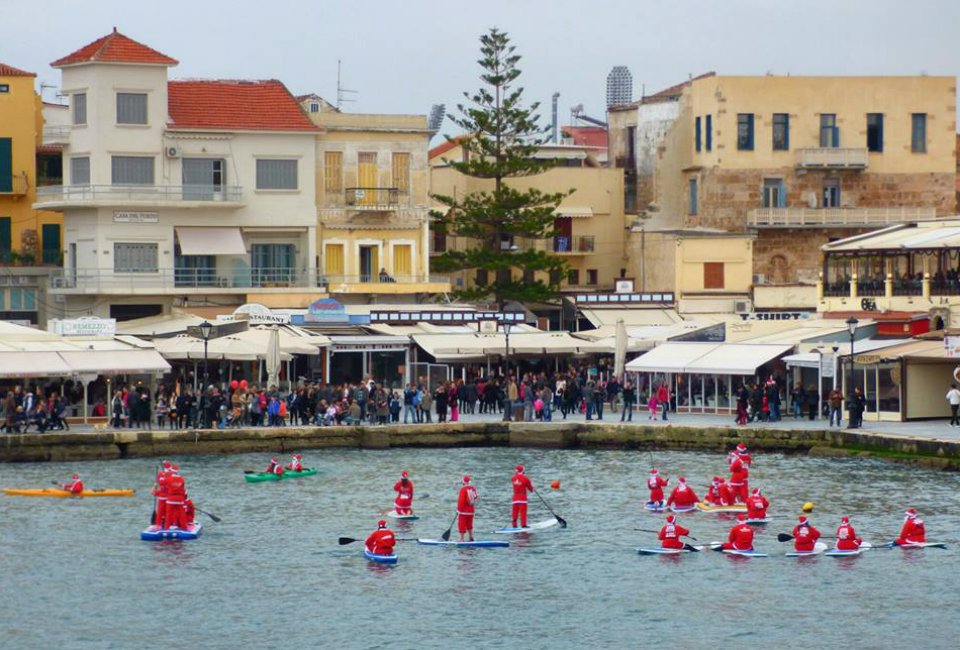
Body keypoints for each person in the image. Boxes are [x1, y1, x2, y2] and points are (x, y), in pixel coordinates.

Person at [164, 465, 188, 530]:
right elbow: (183, 489)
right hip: (179, 500)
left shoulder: (168, 478)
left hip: (171, 499)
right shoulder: (182, 479)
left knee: (169, 515)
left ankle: (166, 528)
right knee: (181, 515)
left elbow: (164, 484)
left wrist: (165, 474)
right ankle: (184, 528)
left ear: (172, 471)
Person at [457, 475, 479, 542]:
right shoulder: (473, 488)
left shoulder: (463, 489)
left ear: (463, 482)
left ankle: (461, 539)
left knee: (462, 524)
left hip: (463, 511)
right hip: (471, 511)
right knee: (469, 524)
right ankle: (471, 537)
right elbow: (476, 497)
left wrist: (458, 510)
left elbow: (461, 501)